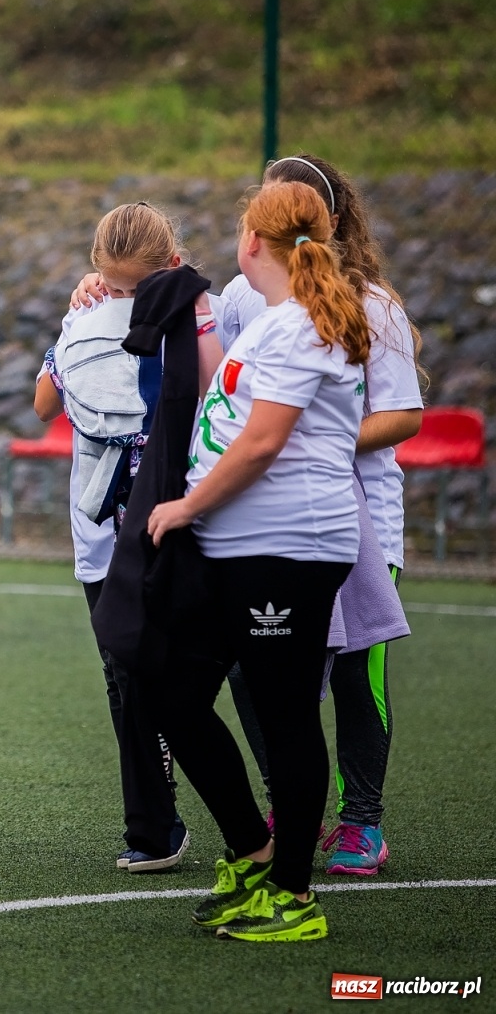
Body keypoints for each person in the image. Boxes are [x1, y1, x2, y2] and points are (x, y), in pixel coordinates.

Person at [148, 180, 370, 942]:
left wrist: (186, 504)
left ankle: (294, 896)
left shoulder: (308, 323)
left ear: (252, 243)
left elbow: (265, 440)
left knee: (284, 720)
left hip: (289, 548)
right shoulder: (274, 320)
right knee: (170, 695)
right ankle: (254, 853)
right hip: (235, 547)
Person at [218, 156, 423, 876]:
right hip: (275, 522)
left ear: (329, 219)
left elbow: (400, 416)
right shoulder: (244, 297)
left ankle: (362, 819)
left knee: (355, 675)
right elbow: (209, 359)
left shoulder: (373, 305)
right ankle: (287, 800)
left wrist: (309, 435)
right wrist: (101, 290)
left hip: (363, 518)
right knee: (258, 669)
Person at [35, 201, 222, 873]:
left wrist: (176, 321)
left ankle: (263, 815)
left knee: (205, 673)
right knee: (123, 675)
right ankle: (153, 824)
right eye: (110, 284)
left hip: (183, 520)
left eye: (135, 288)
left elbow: (218, 395)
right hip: (103, 535)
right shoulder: (86, 313)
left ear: (171, 266)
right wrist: (84, 323)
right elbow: (45, 402)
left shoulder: (205, 311)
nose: (121, 299)